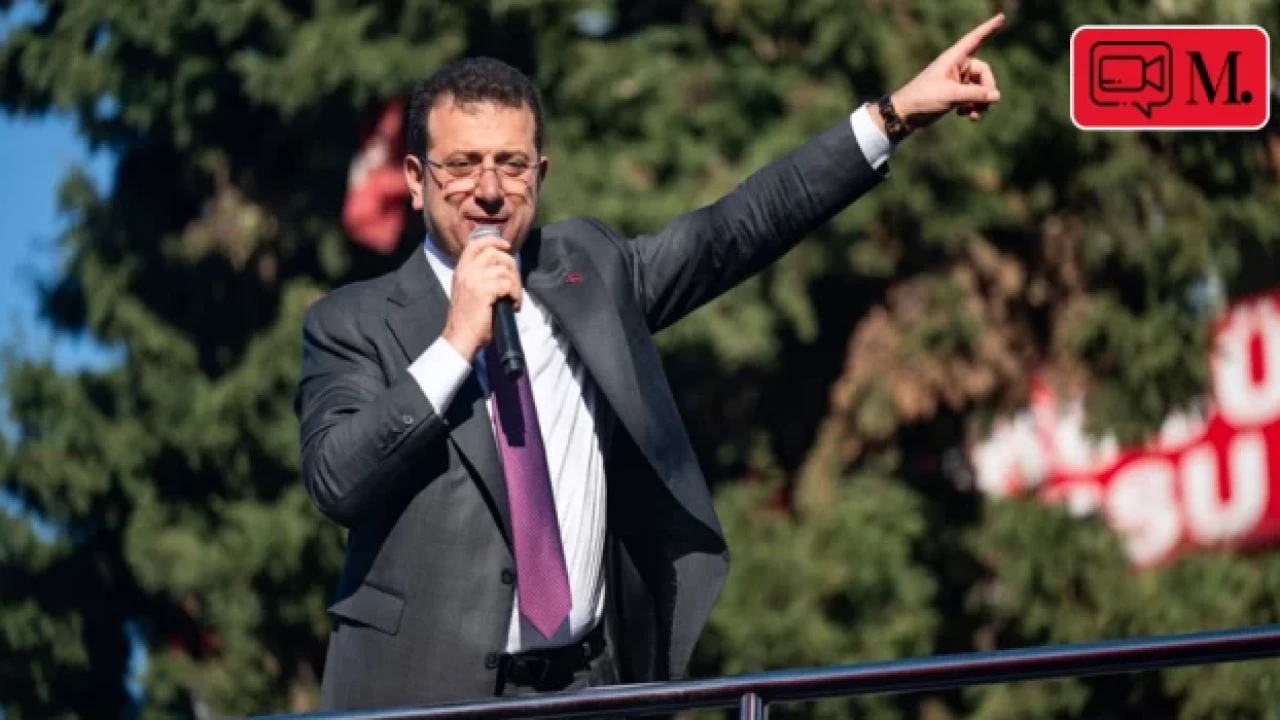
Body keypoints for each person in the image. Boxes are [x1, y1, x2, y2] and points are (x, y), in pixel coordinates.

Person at [296, 13, 1005, 711]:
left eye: (511, 164)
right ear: (415, 178)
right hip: (429, 696)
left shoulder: (590, 272)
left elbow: (736, 228)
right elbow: (336, 481)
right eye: (461, 165)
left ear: (540, 173)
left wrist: (893, 116)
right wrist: (455, 344)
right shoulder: (351, 322)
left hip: (588, 687)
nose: (488, 189)